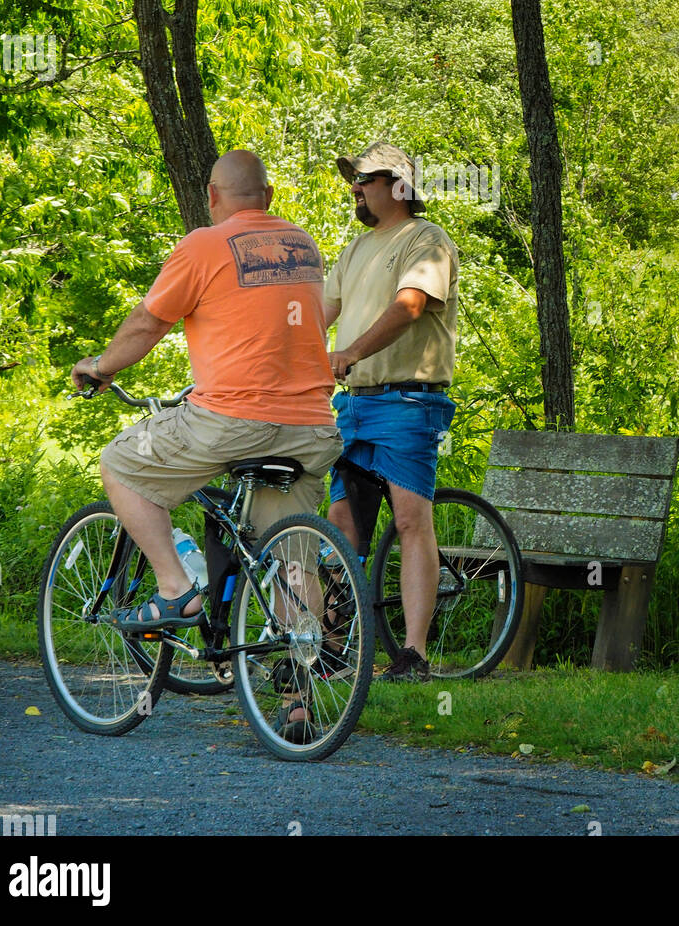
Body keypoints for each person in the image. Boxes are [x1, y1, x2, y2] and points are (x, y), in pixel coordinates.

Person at [70, 150, 343, 676]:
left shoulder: (204, 244)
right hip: (311, 428)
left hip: (232, 422)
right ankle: (300, 700)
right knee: (292, 563)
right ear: (268, 197)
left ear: (213, 196)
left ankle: (176, 589)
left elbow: (149, 323)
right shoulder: (302, 244)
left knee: (120, 464)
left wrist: (101, 367)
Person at [324, 140, 459, 682]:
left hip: (408, 400)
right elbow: (317, 314)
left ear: (399, 187)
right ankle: (331, 647)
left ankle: (413, 654)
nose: (354, 189)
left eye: (365, 180)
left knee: (409, 521)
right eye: (353, 181)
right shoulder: (355, 249)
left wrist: (351, 352)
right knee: (340, 524)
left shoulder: (427, 240)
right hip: (353, 405)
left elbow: (410, 306)